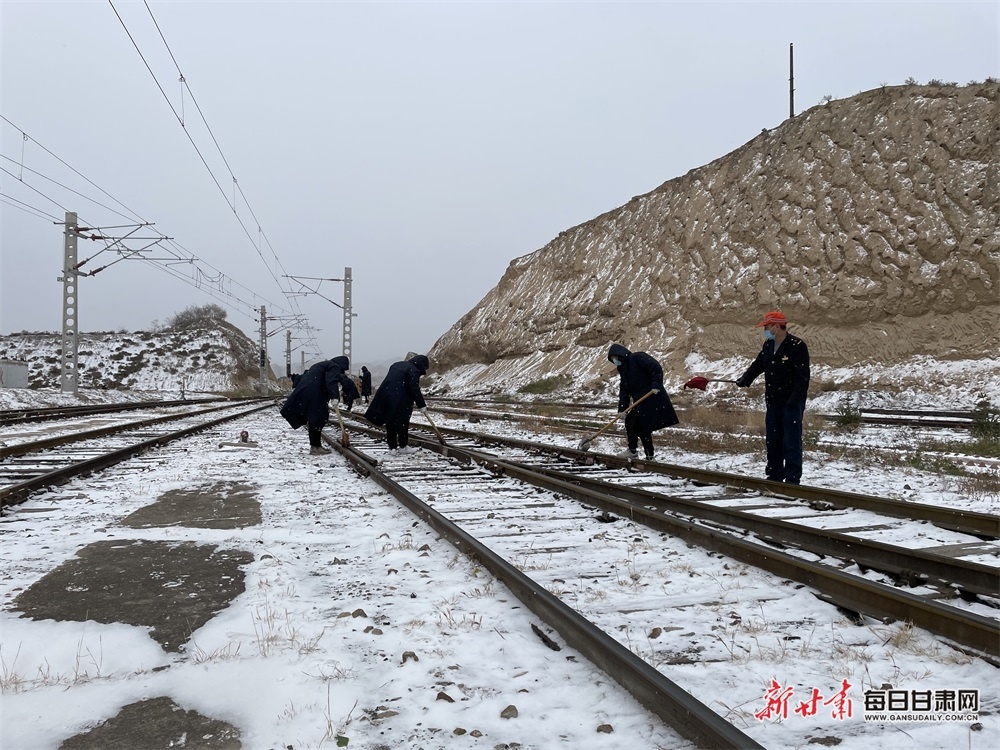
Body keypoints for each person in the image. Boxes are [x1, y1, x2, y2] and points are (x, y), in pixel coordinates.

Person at [735, 310, 811, 484]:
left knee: (791, 441)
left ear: (776, 326)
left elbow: (803, 378)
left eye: (767, 327)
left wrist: (794, 401)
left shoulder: (797, 346)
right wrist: (746, 379)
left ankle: (792, 478)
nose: (765, 330)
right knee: (773, 440)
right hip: (773, 401)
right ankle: (774, 474)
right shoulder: (768, 345)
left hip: (791, 403)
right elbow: (758, 365)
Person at [607, 344, 679, 460]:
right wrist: (622, 409)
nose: (615, 361)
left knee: (637, 424)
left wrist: (656, 384)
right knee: (637, 424)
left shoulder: (637, 358)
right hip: (640, 401)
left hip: (652, 396)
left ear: (621, 354)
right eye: (612, 360)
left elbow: (655, 368)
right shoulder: (623, 370)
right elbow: (624, 391)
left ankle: (636, 452)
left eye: (615, 357)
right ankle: (646, 455)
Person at [279, 356, 360, 455]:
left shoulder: (321, 365)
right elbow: (331, 380)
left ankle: (315, 446)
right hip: (315, 394)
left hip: (306, 392)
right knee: (318, 418)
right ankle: (316, 447)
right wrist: (335, 397)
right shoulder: (334, 366)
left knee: (314, 418)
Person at [364, 354, 429, 451]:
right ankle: (403, 446)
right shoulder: (413, 370)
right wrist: (422, 405)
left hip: (386, 394)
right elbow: (414, 388)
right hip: (401, 398)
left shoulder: (397, 364)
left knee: (390, 421)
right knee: (403, 421)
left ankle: (392, 447)